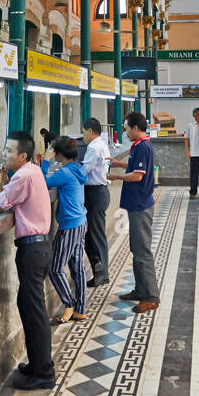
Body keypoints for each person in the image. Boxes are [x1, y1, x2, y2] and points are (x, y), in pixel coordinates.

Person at [0, 131, 54, 390]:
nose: (4, 154)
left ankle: (43, 373)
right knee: (29, 307)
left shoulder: (24, 175)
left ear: (23, 156)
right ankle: (37, 364)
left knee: (35, 312)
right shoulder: (32, 171)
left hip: (33, 250)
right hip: (38, 247)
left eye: (9, 151)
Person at [108, 112, 159, 313]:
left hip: (141, 206)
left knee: (142, 251)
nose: (125, 132)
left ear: (136, 128)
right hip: (137, 205)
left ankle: (151, 296)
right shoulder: (140, 145)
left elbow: (138, 176)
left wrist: (114, 176)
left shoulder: (143, 146)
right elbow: (138, 167)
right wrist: (119, 164)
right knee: (136, 249)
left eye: (127, 128)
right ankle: (140, 289)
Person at [41, 136, 88, 325]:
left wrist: (45, 161)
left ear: (60, 154)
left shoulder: (66, 173)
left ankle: (69, 303)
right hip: (80, 222)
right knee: (77, 268)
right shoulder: (78, 168)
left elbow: (42, 183)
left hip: (69, 225)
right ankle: (81, 309)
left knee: (55, 268)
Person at [82, 118, 111, 287]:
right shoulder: (101, 144)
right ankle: (99, 269)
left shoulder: (93, 147)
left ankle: (103, 273)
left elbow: (85, 170)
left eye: (84, 132)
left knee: (97, 234)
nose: (84, 136)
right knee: (91, 234)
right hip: (98, 192)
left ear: (91, 131)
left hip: (95, 193)